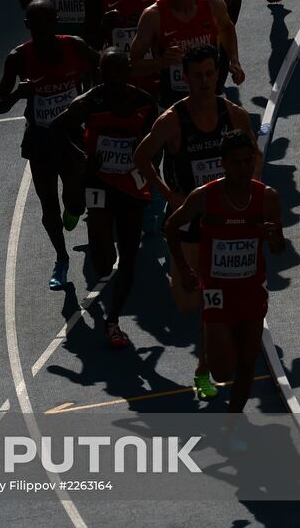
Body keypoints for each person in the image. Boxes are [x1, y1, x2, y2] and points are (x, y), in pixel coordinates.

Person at [134, 45, 261, 399]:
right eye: (198, 75)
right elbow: (141, 156)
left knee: (215, 299)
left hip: (224, 220)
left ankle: (204, 366)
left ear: (217, 75)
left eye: (210, 73)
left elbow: (255, 157)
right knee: (189, 303)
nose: (205, 81)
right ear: (185, 78)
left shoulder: (233, 115)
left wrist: (249, 195)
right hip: (187, 223)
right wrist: (167, 195)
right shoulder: (173, 120)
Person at [165, 129, 285, 412]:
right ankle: (210, 362)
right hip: (217, 291)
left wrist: (275, 239)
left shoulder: (268, 197)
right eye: (236, 163)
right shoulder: (204, 197)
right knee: (221, 372)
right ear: (223, 164)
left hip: (252, 291)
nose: (244, 169)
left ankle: (233, 422)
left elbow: (280, 248)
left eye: (248, 161)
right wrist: (183, 269)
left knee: (247, 362)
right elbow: (171, 225)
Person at [50, 48, 157, 347]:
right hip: (98, 183)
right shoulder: (90, 101)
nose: (113, 79)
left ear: (128, 71)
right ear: (99, 73)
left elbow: (158, 142)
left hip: (131, 186)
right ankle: (87, 223)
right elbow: (57, 128)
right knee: (104, 258)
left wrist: (148, 167)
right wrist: (83, 157)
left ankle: (112, 321)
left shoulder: (145, 104)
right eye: (106, 73)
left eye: (118, 72)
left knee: (129, 257)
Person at [0, 0, 98, 290]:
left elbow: (102, 70)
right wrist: (17, 95)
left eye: (47, 23)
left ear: (56, 21)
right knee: (48, 204)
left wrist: (88, 93)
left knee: (75, 199)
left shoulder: (75, 46)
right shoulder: (18, 58)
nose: (42, 29)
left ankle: (75, 208)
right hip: (41, 140)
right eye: (36, 25)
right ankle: (61, 259)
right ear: (28, 26)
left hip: (73, 135)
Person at [130, 0, 244, 109]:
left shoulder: (214, 5)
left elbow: (227, 29)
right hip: (174, 106)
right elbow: (133, 66)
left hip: (210, 101)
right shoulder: (153, 16)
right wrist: (160, 63)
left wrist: (234, 61)